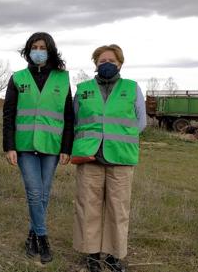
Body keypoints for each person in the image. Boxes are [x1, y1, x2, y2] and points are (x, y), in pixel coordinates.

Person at [72, 44, 146, 272]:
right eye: (102, 61)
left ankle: (114, 256)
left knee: (118, 210)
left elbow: (140, 123)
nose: (107, 64)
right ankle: (92, 255)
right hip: (89, 157)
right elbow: (75, 119)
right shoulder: (83, 89)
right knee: (88, 207)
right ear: (95, 64)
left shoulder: (132, 88)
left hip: (121, 159)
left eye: (111, 61)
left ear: (120, 64)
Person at [2, 32, 74, 264]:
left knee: (43, 194)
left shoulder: (62, 78)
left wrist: (66, 147)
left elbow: (68, 116)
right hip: (24, 146)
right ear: (28, 50)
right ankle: (43, 238)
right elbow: (8, 114)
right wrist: (9, 146)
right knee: (34, 192)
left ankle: (32, 235)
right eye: (34, 46)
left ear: (50, 50)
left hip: (51, 146)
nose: (38, 50)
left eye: (43, 47)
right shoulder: (18, 78)